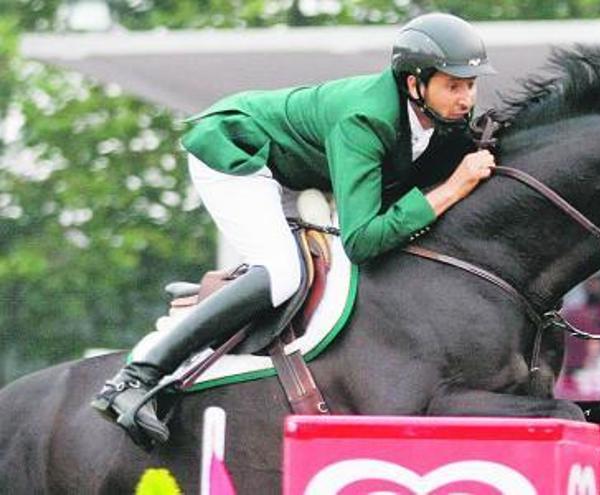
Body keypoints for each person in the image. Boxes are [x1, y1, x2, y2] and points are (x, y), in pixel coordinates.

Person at [91, 13, 497, 445]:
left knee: (310, 270)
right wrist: (453, 188)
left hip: (287, 172)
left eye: (470, 85)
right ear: (415, 85)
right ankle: (135, 377)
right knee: (284, 273)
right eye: (453, 85)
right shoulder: (367, 119)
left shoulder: (426, 119)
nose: (465, 99)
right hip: (237, 153)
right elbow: (361, 241)